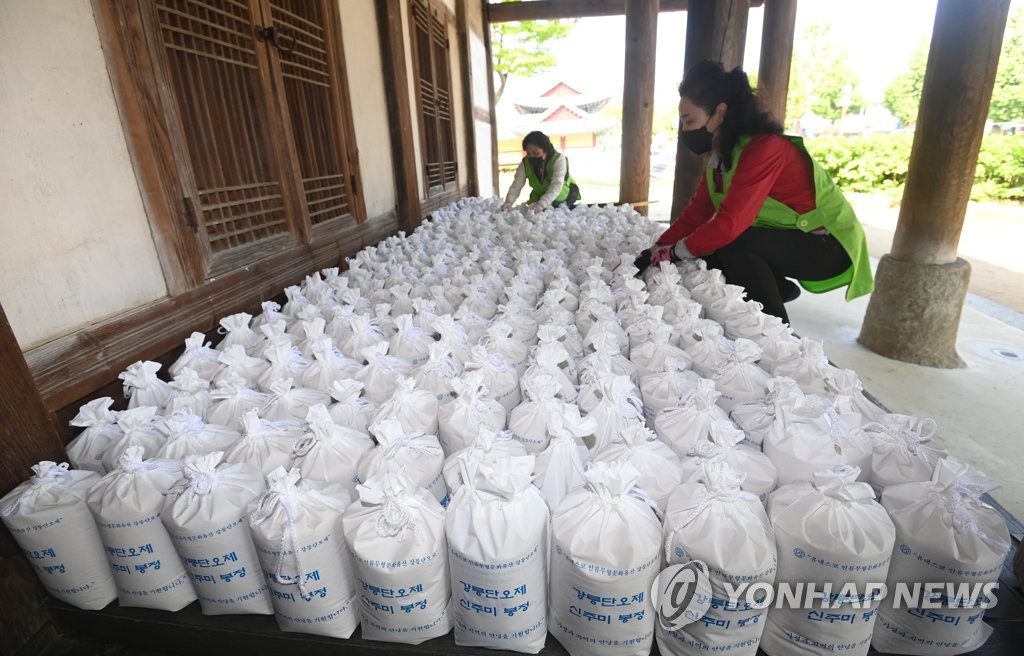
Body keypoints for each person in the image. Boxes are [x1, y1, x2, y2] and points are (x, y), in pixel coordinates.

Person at [634, 60, 873, 324]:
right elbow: (698, 212)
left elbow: (731, 223)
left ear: (720, 113)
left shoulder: (765, 150)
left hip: (827, 247)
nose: (686, 130)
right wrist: (656, 249)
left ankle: (775, 330)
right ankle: (776, 288)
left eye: (689, 120)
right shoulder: (723, 157)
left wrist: (676, 251)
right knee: (708, 246)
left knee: (732, 240)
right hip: (791, 239)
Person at [501, 131, 581, 211]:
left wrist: (542, 204)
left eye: (536, 153)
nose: (532, 157)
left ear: (545, 150)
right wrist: (509, 202)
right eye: (529, 154)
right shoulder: (526, 163)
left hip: (559, 197)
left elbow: (556, 185)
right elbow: (517, 185)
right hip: (538, 197)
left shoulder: (558, 159)